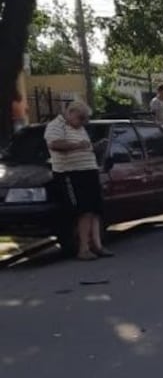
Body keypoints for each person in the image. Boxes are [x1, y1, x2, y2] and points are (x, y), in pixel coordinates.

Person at [44, 100, 113, 260]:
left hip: (89, 170)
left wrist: (94, 147)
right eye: (80, 118)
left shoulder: (80, 128)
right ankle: (84, 248)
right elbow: (54, 144)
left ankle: (98, 245)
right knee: (85, 211)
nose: (83, 122)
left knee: (95, 210)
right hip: (72, 173)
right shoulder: (56, 126)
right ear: (70, 112)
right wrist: (78, 146)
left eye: (85, 119)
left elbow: (84, 146)